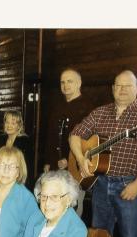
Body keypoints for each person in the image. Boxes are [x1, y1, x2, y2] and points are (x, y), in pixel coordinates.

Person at [69, 70, 137, 237]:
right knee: (99, 236)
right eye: (118, 85)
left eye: (128, 85)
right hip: (100, 184)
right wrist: (80, 157)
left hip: (130, 184)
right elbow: (75, 135)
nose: (122, 90)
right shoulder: (100, 112)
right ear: (112, 89)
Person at [4, 170, 87, 237]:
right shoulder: (36, 217)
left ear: (68, 199)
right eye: (44, 196)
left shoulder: (76, 231)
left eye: (54, 197)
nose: (47, 203)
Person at [44, 68, 92, 216]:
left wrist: (69, 159)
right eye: (62, 82)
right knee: (55, 206)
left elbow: (89, 142)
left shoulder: (88, 109)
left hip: (75, 168)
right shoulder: (56, 107)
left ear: (79, 83)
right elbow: (50, 137)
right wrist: (48, 162)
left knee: (72, 208)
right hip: (55, 168)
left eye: (70, 81)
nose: (65, 85)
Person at [0, 110, 34, 188]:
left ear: (19, 125)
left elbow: (25, 168)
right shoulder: (1, 139)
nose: (9, 125)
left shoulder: (25, 141)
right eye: (7, 122)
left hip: (19, 181)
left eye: (13, 123)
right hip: (2, 178)